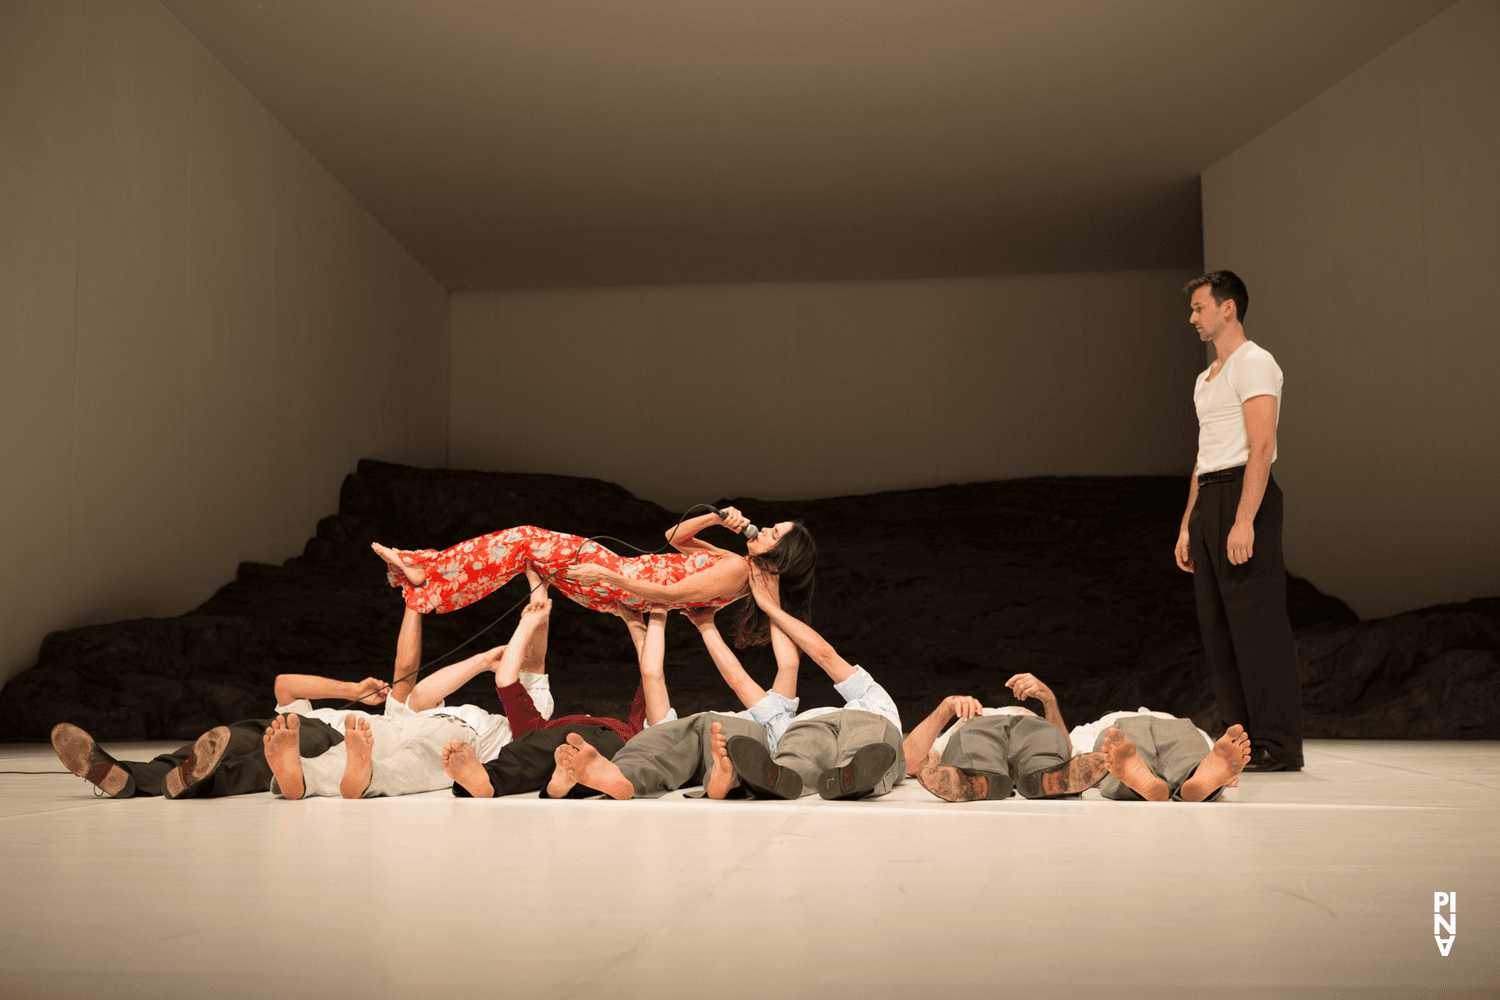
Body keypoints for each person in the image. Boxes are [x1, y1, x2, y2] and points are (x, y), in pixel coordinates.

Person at [1175, 270, 1304, 772]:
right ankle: (1242, 741)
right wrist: (1189, 523)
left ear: (1227, 308)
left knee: (1259, 624)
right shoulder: (1205, 378)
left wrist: (1245, 519)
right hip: (1211, 496)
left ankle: (1278, 742)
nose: (1193, 317)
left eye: (1199, 308)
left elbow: (1262, 444)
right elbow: (1204, 455)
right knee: (1218, 626)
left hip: (1243, 495)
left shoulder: (1254, 362)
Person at [370, 506, 815, 648]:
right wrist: (718, 518)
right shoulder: (736, 563)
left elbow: (668, 593)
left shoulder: (739, 571)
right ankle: (430, 577)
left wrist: (608, 576)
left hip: (614, 575)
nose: (766, 528)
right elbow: (673, 536)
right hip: (613, 575)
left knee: (524, 540)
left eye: (774, 533)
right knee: (520, 552)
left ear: (780, 555)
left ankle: (427, 572)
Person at [262, 586, 555, 800]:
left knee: (416, 759)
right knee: (360, 748)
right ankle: (302, 776)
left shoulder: (524, 729)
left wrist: (534, 604)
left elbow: (533, 661)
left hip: (443, 734)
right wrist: (483, 660)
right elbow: (421, 695)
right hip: (407, 724)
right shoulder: (510, 721)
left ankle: (358, 777)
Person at [544, 594, 804, 801]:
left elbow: (773, 668)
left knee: (726, 740)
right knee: (648, 744)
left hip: (742, 740)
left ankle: (727, 777)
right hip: (695, 749)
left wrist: (764, 601)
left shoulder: (776, 718)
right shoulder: (676, 732)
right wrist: (658, 608)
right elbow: (651, 674)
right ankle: (616, 775)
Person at [715, 565, 907, 801]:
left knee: (805, 753)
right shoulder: (873, 702)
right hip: (835, 723)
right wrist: (768, 603)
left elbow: (786, 665)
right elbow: (819, 655)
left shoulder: (784, 720)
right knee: (863, 740)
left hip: (817, 725)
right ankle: (838, 778)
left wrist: (768, 603)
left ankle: (799, 774)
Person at [48, 675, 380, 800]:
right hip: (287, 722)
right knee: (230, 739)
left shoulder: (388, 721)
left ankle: (191, 782)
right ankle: (125, 774)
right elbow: (284, 684)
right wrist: (353, 690)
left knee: (262, 763)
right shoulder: (302, 709)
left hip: (332, 737)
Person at [902, 674, 1107, 803]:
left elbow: (1064, 748)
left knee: (1045, 745)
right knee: (974, 742)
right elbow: (909, 761)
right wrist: (946, 707)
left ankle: (1046, 775)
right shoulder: (967, 721)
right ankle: (977, 777)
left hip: (1031, 725)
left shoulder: (1032, 718)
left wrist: (1048, 701)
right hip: (976, 724)